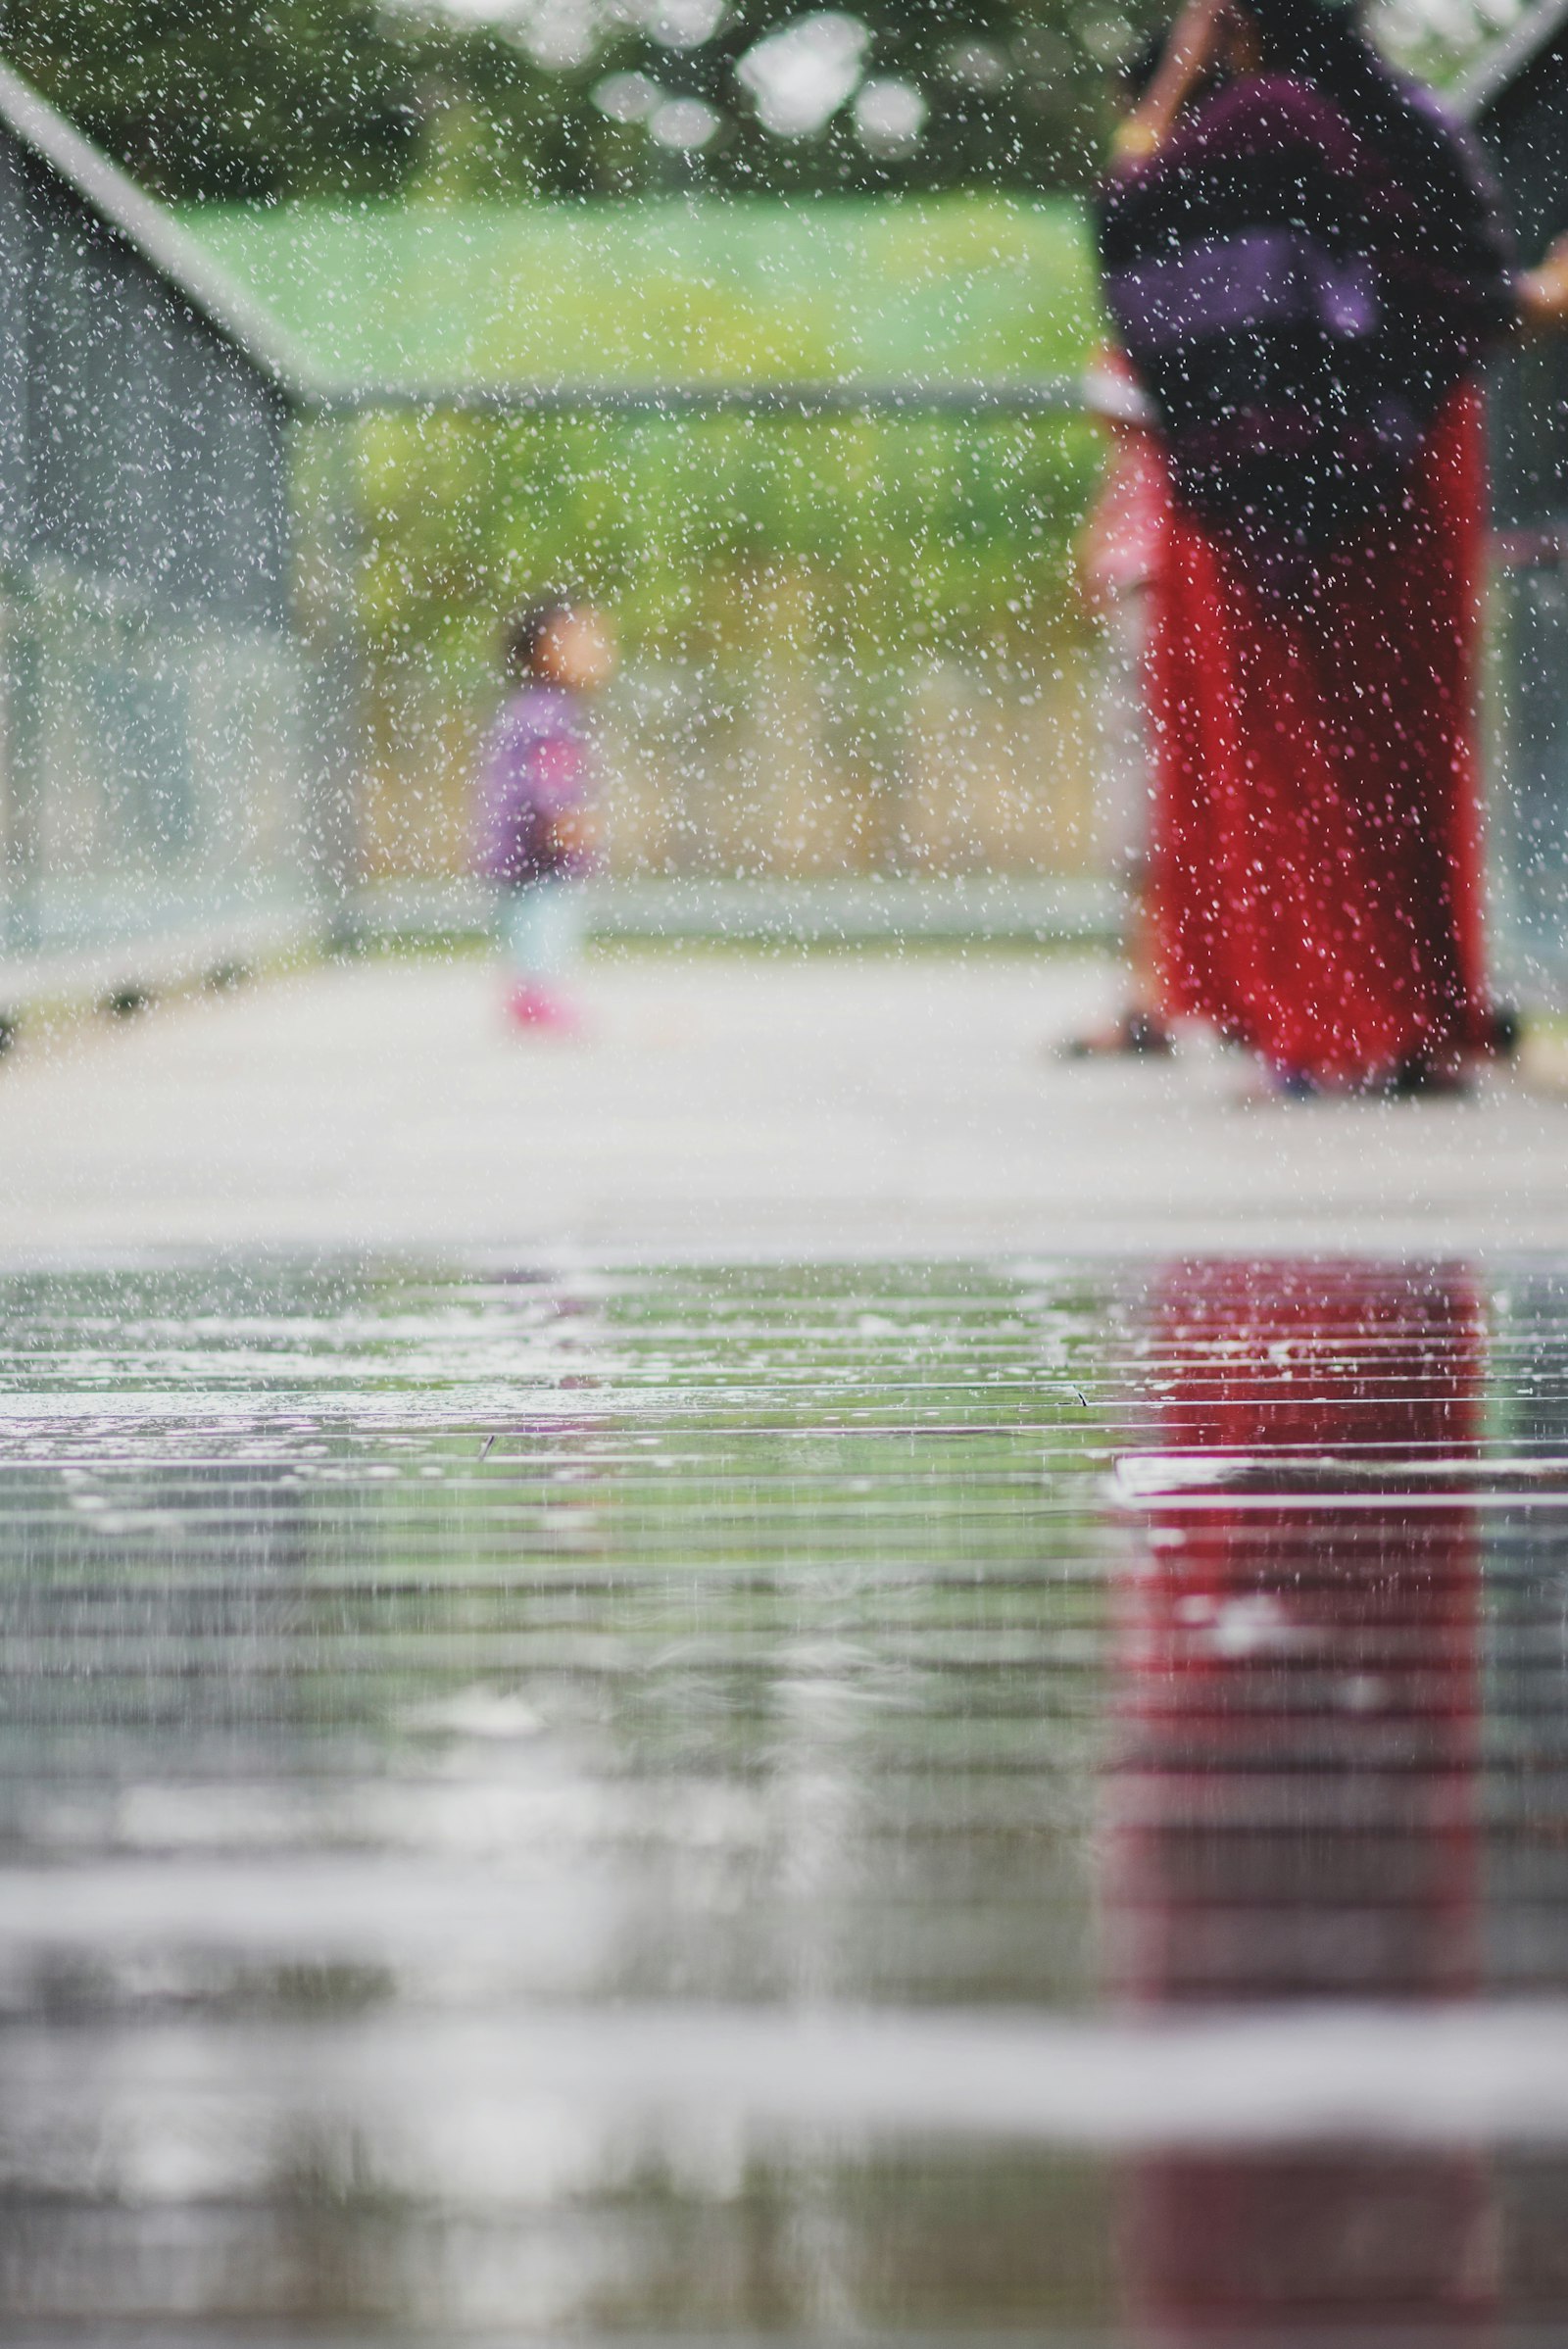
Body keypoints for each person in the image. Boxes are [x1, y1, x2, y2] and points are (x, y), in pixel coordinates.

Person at [1098, 0, 1568, 1096]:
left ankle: (1325, 1024)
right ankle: (1412, 1018)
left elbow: (1131, 225)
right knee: (1403, 749)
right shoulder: (1405, 117)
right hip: (1413, 466)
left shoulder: (1253, 125)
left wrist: (1175, 76)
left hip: (1275, 490)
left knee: (1295, 752)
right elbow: (1468, 293)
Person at [473, 599, 615, 1033]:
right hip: (538, 846)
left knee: (530, 908)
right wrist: (565, 816)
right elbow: (547, 775)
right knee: (546, 906)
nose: (601, 650)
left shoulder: (531, 707)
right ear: (546, 651)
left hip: (518, 845)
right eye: (586, 640)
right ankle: (539, 990)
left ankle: (533, 986)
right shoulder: (549, 712)